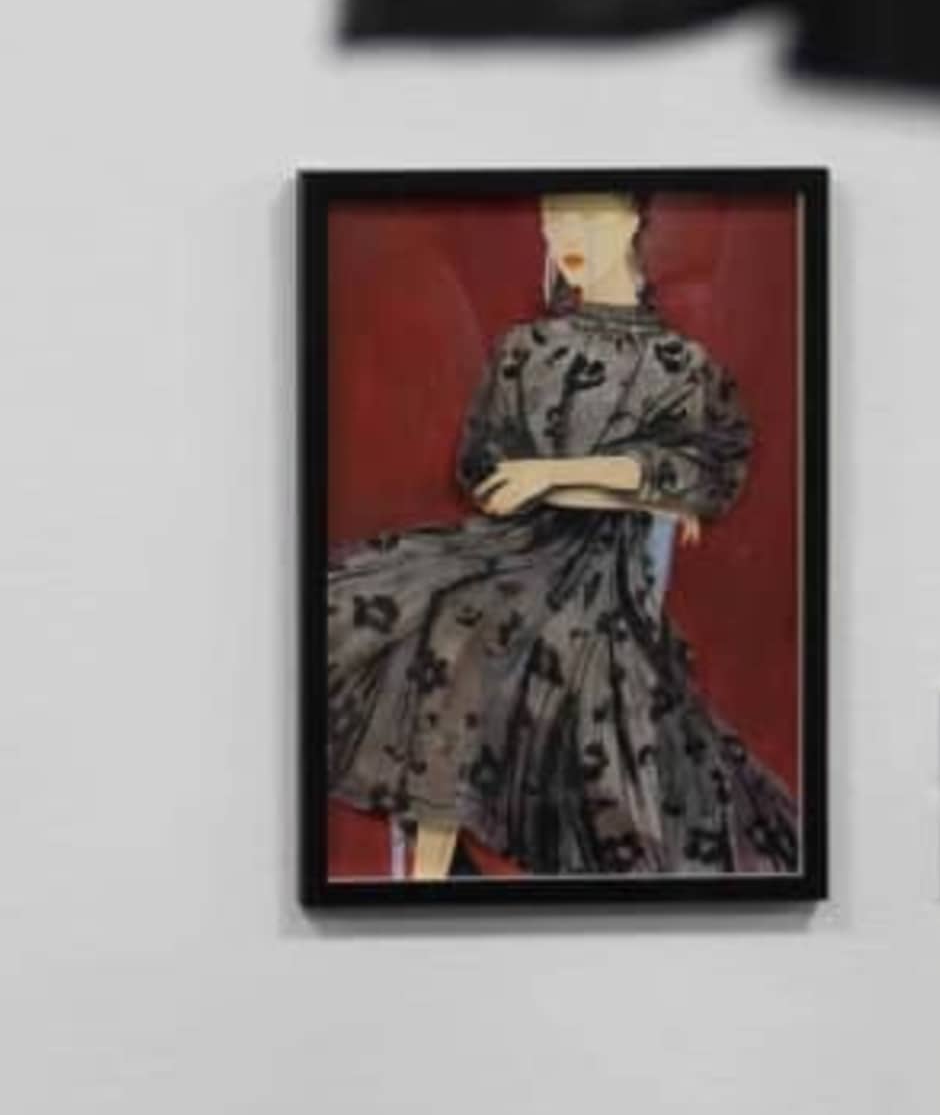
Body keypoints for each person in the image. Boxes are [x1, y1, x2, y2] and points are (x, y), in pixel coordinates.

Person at [324, 186, 802, 882]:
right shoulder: (525, 349)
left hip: (600, 585)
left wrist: (552, 474)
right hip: (508, 555)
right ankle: (428, 886)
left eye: (587, 214)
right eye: (554, 217)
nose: (565, 232)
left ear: (633, 218)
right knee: (365, 600)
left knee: (465, 624)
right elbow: (486, 473)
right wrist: (622, 484)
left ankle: (434, 879)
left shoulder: (684, 369)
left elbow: (696, 477)